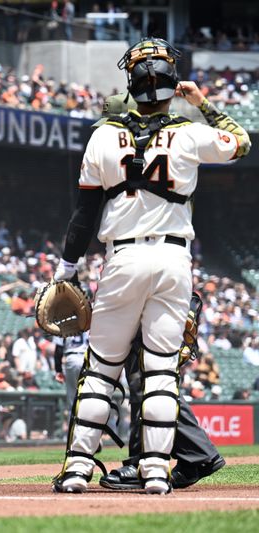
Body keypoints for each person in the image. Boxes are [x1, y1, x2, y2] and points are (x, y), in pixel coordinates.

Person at [51, 38, 250, 495]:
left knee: (101, 369)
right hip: (174, 259)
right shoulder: (188, 131)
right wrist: (202, 104)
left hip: (123, 257)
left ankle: (79, 468)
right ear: (170, 85)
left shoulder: (102, 135)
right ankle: (156, 472)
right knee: (161, 370)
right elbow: (240, 142)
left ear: (131, 83)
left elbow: (83, 215)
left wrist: (66, 269)